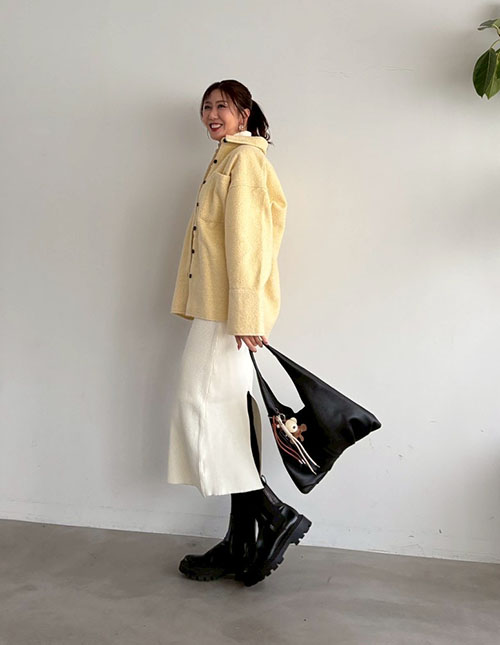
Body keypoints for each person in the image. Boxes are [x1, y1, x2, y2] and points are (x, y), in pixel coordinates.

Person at [166, 80, 311, 586]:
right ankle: (240, 542)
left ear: (244, 113)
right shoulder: (226, 159)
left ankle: (273, 514)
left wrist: (246, 314)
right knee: (231, 418)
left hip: (227, 314)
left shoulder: (244, 161)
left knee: (201, 409)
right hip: (219, 309)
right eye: (206, 106)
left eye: (222, 106)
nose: (212, 113)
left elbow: (248, 244)